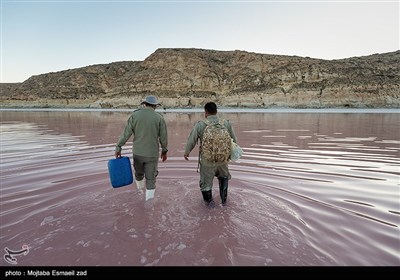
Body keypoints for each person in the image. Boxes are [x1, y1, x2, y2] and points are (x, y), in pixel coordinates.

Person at [115, 95, 168, 201]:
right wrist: (164, 151)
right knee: (151, 179)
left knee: (139, 174)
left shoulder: (135, 115)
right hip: (152, 154)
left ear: (144, 104)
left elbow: (126, 133)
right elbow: (163, 137)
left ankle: (139, 193)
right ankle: (149, 203)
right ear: (155, 106)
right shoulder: (159, 118)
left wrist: (118, 147)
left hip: (138, 153)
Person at [184, 102, 237, 205]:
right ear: (217, 111)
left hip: (207, 162)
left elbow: (192, 140)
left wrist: (187, 152)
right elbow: (234, 140)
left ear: (205, 112)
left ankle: (210, 207)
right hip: (222, 161)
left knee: (206, 185)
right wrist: (228, 155)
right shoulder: (225, 123)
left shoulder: (200, 125)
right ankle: (224, 202)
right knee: (224, 178)